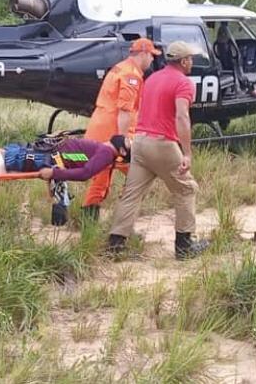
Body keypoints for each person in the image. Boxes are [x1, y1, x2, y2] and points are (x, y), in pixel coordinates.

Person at [106, 40, 210, 260]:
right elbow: (182, 116)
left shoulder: (152, 78)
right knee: (186, 189)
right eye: (190, 58)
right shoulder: (183, 83)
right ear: (183, 61)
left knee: (131, 194)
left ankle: (115, 245)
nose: (192, 62)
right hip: (162, 144)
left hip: (140, 143)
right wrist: (187, 153)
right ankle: (184, 246)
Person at [80, 38, 161, 220]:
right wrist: (123, 141)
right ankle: (123, 220)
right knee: (139, 172)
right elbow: (124, 111)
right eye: (152, 56)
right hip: (113, 132)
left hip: (99, 130)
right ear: (144, 53)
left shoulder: (120, 67)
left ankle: (89, 221)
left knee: (101, 178)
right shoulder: (131, 75)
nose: (152, 61)